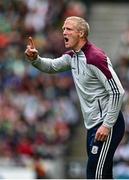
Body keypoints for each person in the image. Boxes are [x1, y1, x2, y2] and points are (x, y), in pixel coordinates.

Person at [25, 16, 125, 179]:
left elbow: (117, 91)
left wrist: (107, 125)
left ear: (81, 33)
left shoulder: (95, 57)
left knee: (95, 175)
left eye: (69, 29)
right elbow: (51, 66)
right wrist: (35, 59)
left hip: (107, 123)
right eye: (63, 28)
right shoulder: (73, 56)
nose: (64, 31)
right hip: (93, 125)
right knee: (103, 174)